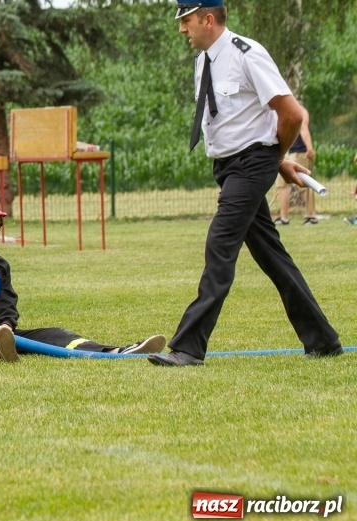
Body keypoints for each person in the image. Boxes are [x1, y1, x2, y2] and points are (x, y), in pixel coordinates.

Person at [148, 1, 343, 366]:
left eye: (186, 20)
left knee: (219, 245)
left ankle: (188, 348)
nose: (181, 29)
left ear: (208, 19)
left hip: (250, 166)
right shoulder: (204, 61)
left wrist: (272, 157)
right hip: (230, 167)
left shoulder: (247, 54)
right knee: (272, 255)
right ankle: (323, 340)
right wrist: (278, 162)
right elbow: (244, 122)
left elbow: (291, 114)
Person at [0, 194, 166, 362]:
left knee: (56, 335)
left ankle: (117, 351)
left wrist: (5, 326)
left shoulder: (0, 266)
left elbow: (6, 303)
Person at [273, 104, 317, 225]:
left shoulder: (300, 110)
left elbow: (304, 129)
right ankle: (284, 218)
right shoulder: (280, 108)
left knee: (304, 184)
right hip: (285, 153)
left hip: (299, 152)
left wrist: (309, 149)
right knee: (281, 185)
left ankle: (311, 216)